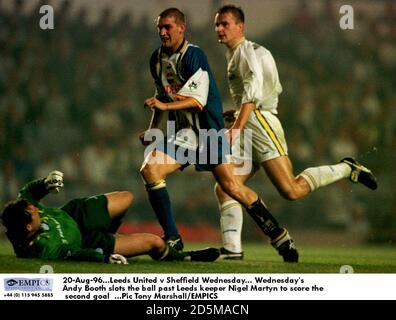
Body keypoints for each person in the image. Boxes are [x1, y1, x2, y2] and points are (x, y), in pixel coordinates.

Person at [213, 5, 378, 259]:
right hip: (250, 121)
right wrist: (237, 116)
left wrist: (237, 126)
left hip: (260, 123)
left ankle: (347, 168)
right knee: (226, 186)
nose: (219, 29)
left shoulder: (247, 52)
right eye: (217, 24)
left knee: (291, 190)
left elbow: (254, 92)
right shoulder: (239, 53)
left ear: (240, 26)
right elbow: (254, 93)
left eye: (225, 23)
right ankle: (233, 249)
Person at [140, 7, 298, 262]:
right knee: (150, 170)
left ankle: (279, 236)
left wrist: (165, 107)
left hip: (210, 131)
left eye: (168, 27)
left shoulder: (194, 56)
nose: (163, 32)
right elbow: (161, 96)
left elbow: (197, 101)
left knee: (232, 187)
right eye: (159, 27)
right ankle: (172, 237)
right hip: (186, 134)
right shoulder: (156, 59)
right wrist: (152, 130)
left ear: (181, 28)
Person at [1, 170, 220, 263]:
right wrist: (104, 257)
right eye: (33, 214)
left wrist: (45, 183)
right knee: (154, 242)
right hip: (90, 241)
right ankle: (183, 257)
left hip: (75, 214)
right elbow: (74, 254)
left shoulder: (21, 215)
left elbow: (27, 194)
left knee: (126, 197)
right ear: (29, 228)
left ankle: (108, 230)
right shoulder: (44, 248)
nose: (37, 210)